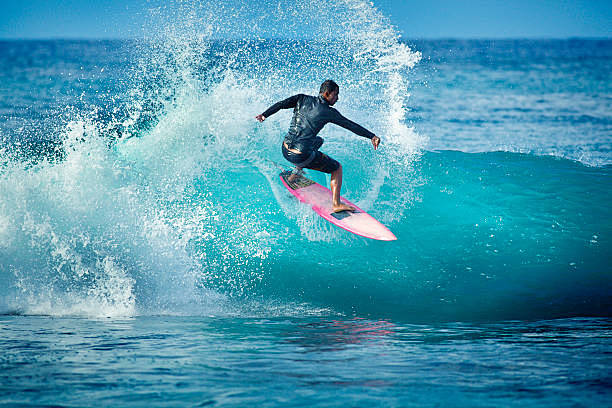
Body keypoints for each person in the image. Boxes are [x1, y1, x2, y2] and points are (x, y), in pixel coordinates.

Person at [255, 80, 380, 213]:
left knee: (318, 141)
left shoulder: (301, 98)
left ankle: (294, 175)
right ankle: (336, 204)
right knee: (337, 168)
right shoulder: (329, 112)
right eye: (335, 95)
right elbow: (350, 125)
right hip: (301, 155)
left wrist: (264, 114)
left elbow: (281, 105)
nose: (337, 99)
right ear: (326, 93)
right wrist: (371, 136)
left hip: (285, 149)